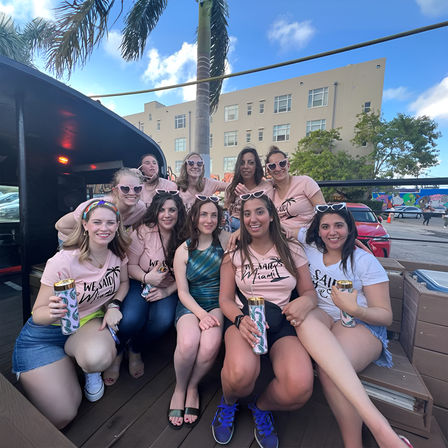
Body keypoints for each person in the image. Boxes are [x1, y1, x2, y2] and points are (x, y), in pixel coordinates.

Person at [287, 203, 412, 448]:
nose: (332, 232)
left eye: (339, 226)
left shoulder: (364, 261)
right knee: (302, 318)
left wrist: (355, 309)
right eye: (325, 227)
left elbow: (386, 316)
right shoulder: (310, 247)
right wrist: (237, 231)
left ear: (349, 228)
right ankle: (383, 433)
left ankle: (371, 435)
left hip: (361, 323)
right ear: (317, 230)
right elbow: (278, 228)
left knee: (329, 371)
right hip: (323, 317)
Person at [212, 192, 317, 448]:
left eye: (259, 211)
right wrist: (239, 320)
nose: (252, 218)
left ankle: (261, 407)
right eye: (246, 214)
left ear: (271, 215)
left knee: (300, 387)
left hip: (281, 320)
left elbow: (309, 292)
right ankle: (228, 403)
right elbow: (224, 299)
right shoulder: (234, 251)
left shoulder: (291, 249)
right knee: (241, 375)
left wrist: (305, 301)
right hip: (244, 319)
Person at [12, 200, 130, 429]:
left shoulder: (117, 254)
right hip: (45, 334)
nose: (103, 228)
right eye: (97, 222)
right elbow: (38, 314)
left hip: (85, 326)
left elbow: (123, 283)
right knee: (64, 414)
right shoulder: (63, 260)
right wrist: (53, 311)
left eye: (110, 223)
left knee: (96, 358)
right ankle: (57, 365)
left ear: (117, 226)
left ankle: (85, 367)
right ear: (85, 225)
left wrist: (114, 305)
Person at [103, 191, 187, 385]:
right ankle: (118, 351)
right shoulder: (142, 231)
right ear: (155, 212)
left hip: (169, 287)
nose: (167, 215)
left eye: (172, 210)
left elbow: (188, 273)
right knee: (131, 319)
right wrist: (147, 277)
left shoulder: (185, 235)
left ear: (179, 212)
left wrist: (167, 290)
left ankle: (135, 348)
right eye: (162, 210)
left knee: (162, 320)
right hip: (138, 281)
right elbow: (129, 265)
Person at [168, 196, 230, 429]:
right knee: (187, 343)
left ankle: (193, 386)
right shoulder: (183, 250)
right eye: (203, 214)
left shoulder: (225, 240)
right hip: (191, 304)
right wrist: (201, 315)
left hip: (217, 302)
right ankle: (180, 388)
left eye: (214, 215)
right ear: (194, 218)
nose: (209, 219)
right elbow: (182, 292)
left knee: (210, 345)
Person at [56, 167, 146, 241]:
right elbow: (60, 225)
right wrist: (93, 240)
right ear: (115, 191)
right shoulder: (97, 206)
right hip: (70, 238)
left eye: (137, 188)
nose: (132, 193)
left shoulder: (141, 210)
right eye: (125, 188)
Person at [265, 146, 325, 234]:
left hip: (306, 236)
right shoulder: (268, 189)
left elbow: (323, 211)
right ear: (268, 171)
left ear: (288, 165)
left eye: (282, 163)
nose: (278, 168)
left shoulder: (305, 182)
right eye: (272, 166)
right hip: (279, 239)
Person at [224, 147, 273, 232]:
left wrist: (248, 197)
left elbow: (268, 215)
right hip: (229, 227)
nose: (246, 166)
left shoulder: (265, 188)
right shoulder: (231, 188)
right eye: (242, 163)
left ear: (256, 166)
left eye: (251, 163)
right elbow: (226, 210)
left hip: (252, 227)